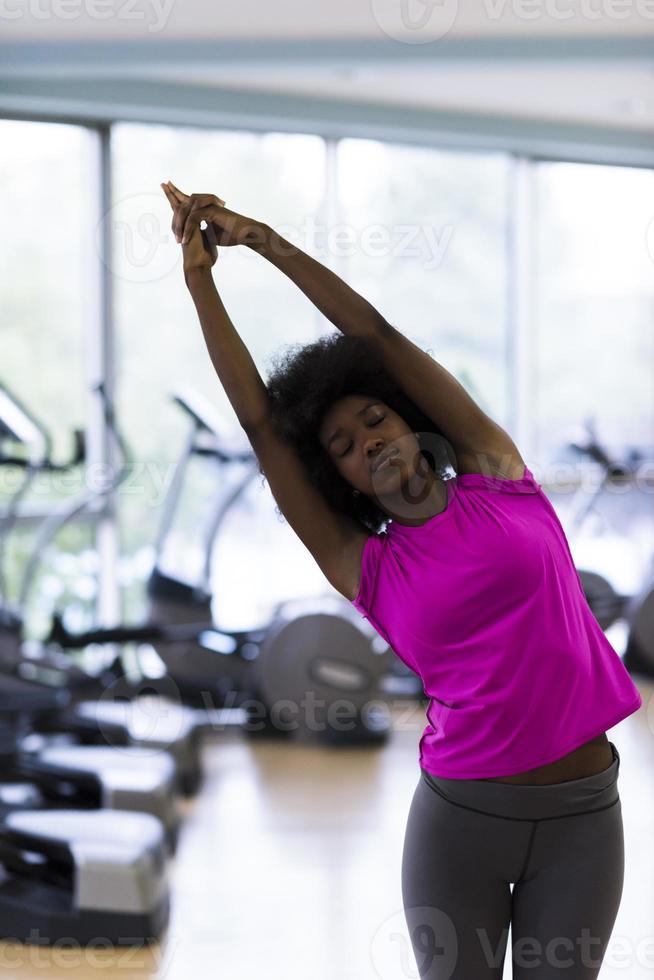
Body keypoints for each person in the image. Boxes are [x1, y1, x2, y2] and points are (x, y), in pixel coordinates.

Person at [160, 181, 642, 978]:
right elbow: (257, 422)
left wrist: (265, 240)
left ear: (408, 421)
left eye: (374, 419)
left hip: (584, 814)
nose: (368, 443)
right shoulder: (364, 564)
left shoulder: (499, 475)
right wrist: (201, 283)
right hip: (461, 820)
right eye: (343, 443)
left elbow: (375, 334)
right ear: (338, 475)